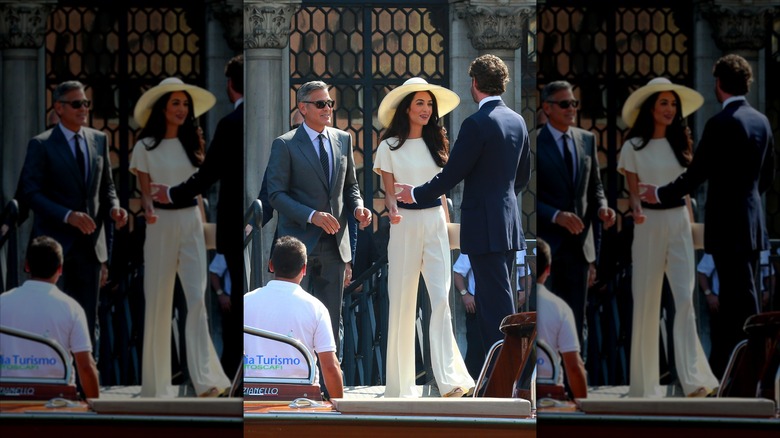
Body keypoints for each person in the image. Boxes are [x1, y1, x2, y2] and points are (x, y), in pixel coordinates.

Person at [639, 54, 776, 379]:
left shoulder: (721, 123)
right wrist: (749, 202)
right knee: (742, 298)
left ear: (718, 84)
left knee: (738, 303)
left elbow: (696, 174)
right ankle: (732, 369)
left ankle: (750, 369)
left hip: (728, 227)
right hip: (752, 225)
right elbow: (768, 175)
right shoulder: (762, 121)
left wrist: (657, 193)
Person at [394, 54, 531, 348]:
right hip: (508, 225)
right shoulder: (518, 121)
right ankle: (502, 374)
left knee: (494, 307)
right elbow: (522, 178)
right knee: (499, 298)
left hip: (484, 227)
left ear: (475, 84)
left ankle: (505, 377)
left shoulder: (476, 123)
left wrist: (414, 193)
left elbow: (451, 175)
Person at [130, 77, 230, 398]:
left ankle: (206, 381)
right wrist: (148, 210)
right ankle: (156, 384)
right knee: (158, 303)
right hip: (159, 226)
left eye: (185, 104)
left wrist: (202, 227)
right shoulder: (143, 148)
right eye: (175, 103)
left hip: (190, 224)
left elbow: (198, 193)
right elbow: (145, 195)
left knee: (198, 301)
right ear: (162, 107)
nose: (182, 109)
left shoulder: (194, 145)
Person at [375, 77, 474, 397]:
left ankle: (451, 380)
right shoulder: (387, 148)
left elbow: (442, 194)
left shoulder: (438, 145)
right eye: (420, 103)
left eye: (429, 104)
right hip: (403, 227)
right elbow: (389, 194)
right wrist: (392, 211)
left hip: (434, 225)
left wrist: (447, 228)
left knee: (442, 301)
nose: (426, 109)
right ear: (406, 108)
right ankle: (399, 385)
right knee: (402, 304)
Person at [618, 77, 718, 397]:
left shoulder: (682, 144)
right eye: (663, 102)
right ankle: (644, 385)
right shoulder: (631, 147)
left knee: (686, 301)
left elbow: (686, 193)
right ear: (650, 107)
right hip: (647, 226)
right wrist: (637, 211)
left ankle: (694, 380)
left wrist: (689, 227)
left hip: (679, 225)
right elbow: (633, 194)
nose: (670, 109)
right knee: (646, 304)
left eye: (673, 104)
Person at [151, 54, 245, 377]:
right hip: (246, 224)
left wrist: (173, 193)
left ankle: (234, 372)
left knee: (237, 300)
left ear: (231, 86)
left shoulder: (230, 124)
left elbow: (207, 175)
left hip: (232, 224)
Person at [19, 81, 129, 350]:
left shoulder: (99, 140)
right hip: (54, 246)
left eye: (86, 104)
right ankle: (55, 377)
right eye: (76, 103)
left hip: (90, 246)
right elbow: (30, 193)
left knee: (87, 318)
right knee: (51, 316)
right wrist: (67, 215)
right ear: (59, 107)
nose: (84, 109)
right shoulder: (41, 145)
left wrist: (115, 207)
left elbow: (107, 188)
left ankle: (86, 385)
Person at [266, 80, 372, 356]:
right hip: (297, 244)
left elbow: (350, 187)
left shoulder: (343, 139)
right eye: (320, 103)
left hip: (335, 244)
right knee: (293, 318)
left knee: (330, 318)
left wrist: (359, 207)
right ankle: (298, 381)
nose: (328, 109)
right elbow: (275, 194)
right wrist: (311, 216)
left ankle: (329, 387)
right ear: (303, 108)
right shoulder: (285, 145)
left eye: (330, 103)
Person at [536, 80, 616, 350]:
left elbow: (595, 187)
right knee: (547, 320)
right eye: (564, 104)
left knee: (576, 319)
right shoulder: (535, 141)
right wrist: (555, 215)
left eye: (574, 103)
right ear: (547, 108)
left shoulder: (587, 139)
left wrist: (603, 206)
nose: (571, 109)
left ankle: (574, 387)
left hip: (581, 247)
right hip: (549, 247)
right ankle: (550, 382)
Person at [243, 236, 344, 399]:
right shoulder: (316, 308)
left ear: (270, 265)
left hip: (251, 397)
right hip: (301, 402)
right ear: (304, 269)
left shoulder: (246, 301)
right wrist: (340, 412)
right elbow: (330, 367)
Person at [0, 236, 100, 399]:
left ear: (26, 266)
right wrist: (96, 413)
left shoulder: (2, 302)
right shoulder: (72, 308)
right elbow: (86, 367)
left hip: (6, 400)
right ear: (60, 269)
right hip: (56, 403)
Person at [535, 237, 588, 400]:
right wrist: (582, 409)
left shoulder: (515, 307)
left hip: (518, 394)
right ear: (548, 269)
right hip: (550, 396)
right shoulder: (560, 308)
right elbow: (574, 367)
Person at [452, 253, 487, 380]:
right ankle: (474, 390)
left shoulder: (512, 240)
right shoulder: (474, 242)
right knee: (476, 349)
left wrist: (522, 294)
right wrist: (465, 294)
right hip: (477, 305)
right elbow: (457, 272)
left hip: (503, 305)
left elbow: (524, 274)